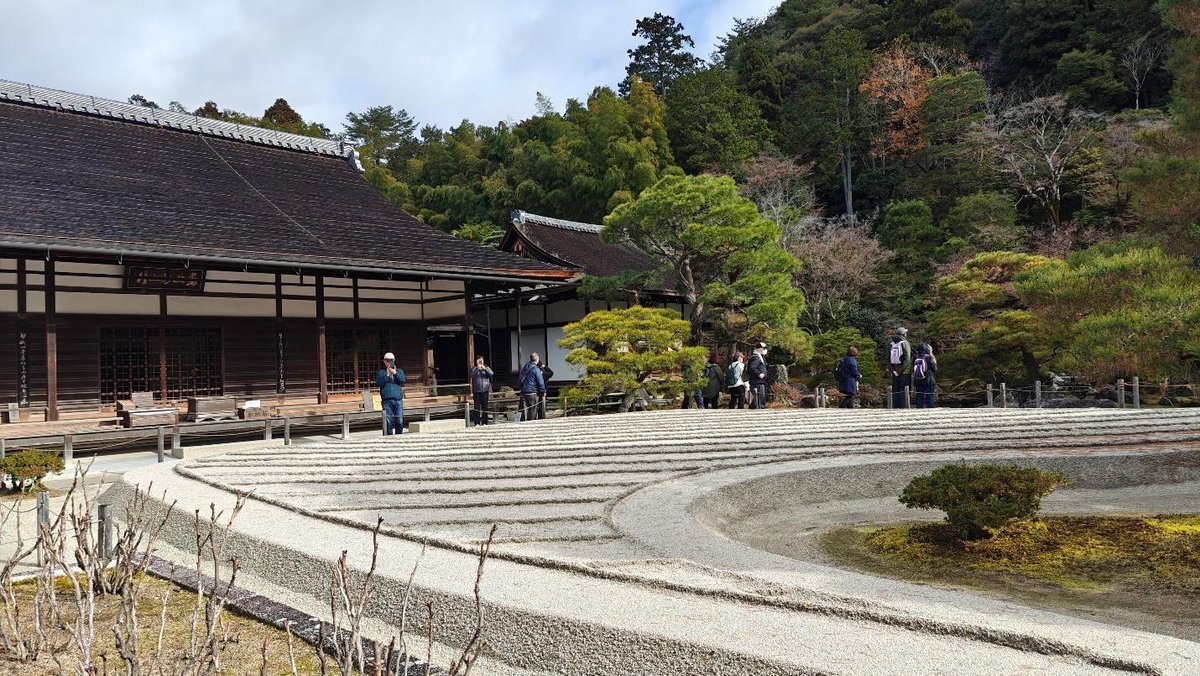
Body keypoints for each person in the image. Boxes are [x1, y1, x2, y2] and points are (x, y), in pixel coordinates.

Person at [375, 352, 406, 435]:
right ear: (384, 361)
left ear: (394, 361)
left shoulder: (399, 371)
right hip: (386, 400)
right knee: (388, 421)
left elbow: (402, 381)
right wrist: (387, 375)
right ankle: (389, 438)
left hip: (398, 400)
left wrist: (395, 373)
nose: (389, 362)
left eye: (391, 360)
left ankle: (399, 437)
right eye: (387, 360)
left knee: (399, 420)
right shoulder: (381, 372)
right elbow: (379, 382)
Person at [889, 327, 913, 408]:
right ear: (903, 334)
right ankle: (904, 407)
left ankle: (895, 406)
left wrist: (893, 371)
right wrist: (899, 371)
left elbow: (888, 359)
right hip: (904, 372)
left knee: (895, 390)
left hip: (894, 371)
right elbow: (907, 359)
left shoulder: (892, 343)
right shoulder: (905, 343)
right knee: (904, 390)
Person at [519, 353, 545, 421]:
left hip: (524, 391)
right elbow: (540, 382)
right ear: (537, 359)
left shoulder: (525, 366)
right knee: (533, 409)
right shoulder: (536, 369)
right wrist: (542, 392)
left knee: (527, 408)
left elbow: (520, 378)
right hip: (531, 391)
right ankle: (530, 423)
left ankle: (526, 421)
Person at [469, 356, 493, 425]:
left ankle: (485, 422)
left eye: (481, 360)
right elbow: (471, 375)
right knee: (477, 407)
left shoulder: (486, 368)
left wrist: (484, 368)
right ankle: (477, 422)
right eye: (478, 360)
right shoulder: (474, 369)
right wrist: (477, 368)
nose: (480, 362)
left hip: (485, 390)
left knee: (485, 407)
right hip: (476, 391)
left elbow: (491, 374)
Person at [913, 342, 939, 408]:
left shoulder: (916, 357)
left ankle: (918, 409)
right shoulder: (929, 357)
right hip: (928, 379)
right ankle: (930, 409)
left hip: (918, 379)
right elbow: (934, 368)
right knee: (929, 395)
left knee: (919, 395)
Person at [747, 342, 769, 410]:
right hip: (757, 382)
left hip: (759, 382)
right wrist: (759, 374)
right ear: (759, 349)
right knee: (759, 401)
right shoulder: (756, 357)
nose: (765, 350)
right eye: (763, 348)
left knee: (758, 400)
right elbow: (752, 368)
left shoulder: (760, 357)